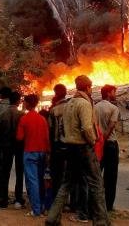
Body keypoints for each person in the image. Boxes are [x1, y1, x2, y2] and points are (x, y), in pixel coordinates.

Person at [46, 75, 109, 226]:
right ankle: (101, 220)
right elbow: (87, 127)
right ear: (87, 87)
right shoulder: (84, 104)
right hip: (83, 148)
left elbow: (62, 127)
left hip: (70, 147)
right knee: (96, 184)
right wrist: (92, 140)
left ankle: (52, 218)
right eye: (90, 88)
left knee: (66, 184)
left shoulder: (68, 104)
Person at [17, 94, 49, 217]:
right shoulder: (42, 119)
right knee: (41, 180)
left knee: (32, 181)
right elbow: (47, 138)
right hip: (42, 152)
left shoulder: (24, 119)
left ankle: (36, 210)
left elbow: (19, 137)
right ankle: (42, 206)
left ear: (27, 103)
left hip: (30, 151)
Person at [0, 90, 25, 208]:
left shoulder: (2, 115)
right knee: (19, 172)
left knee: (5, 172)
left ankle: (3, 199)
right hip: (19, 146)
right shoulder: (22, 114)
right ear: (18, 101)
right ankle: (18, 198)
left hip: (6, 145)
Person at [94, 84, 120, 212]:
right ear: (109, 93)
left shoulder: (94, 107)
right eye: (114, 92)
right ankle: (108, 205)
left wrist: (99, 140)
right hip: (110, 144)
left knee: (97, 174)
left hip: (97, 144)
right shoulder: (114, 108)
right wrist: (104, 139)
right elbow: (111, 126)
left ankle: (95, 203)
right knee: (111, 176)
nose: (115, 94)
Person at [47, 84, 70, 209]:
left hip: (57, 147)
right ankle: (67, 203)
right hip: (71, 146)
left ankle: (57, 202)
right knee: (69, 176)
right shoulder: (72, 107)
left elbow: (50, 130)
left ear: (56, 93)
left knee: (56, 175)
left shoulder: (53, 110)